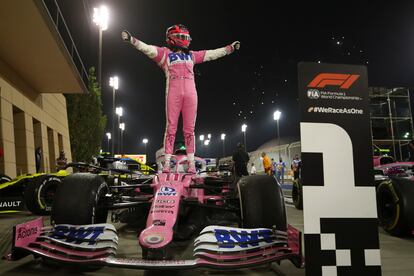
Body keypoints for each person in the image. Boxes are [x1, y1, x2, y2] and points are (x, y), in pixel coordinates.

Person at [122, 25, 240, 173]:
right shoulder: (164, 54)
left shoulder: (192, 55)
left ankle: (191, 165)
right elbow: (147, 48)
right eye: (183, 37)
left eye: (187, 37)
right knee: (171, 128)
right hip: (174, 93)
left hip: (191, 94)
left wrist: (230, 48)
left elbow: (211, 54)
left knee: (189, 130)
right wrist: (131, 40)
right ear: (173, 38)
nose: (187, 40)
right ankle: (166, 165)